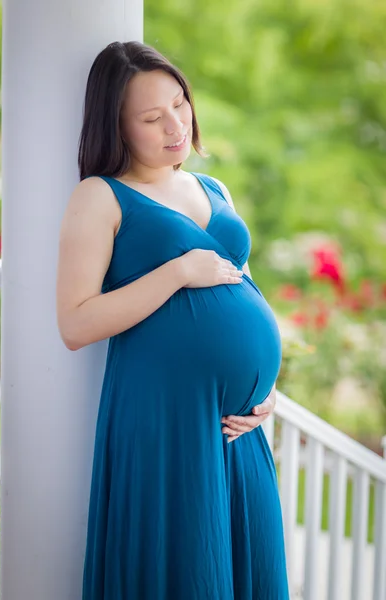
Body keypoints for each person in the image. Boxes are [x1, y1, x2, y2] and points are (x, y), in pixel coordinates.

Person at [56, 40, 289, 600]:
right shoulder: (101, 197)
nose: (175, 125)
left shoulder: (212, 187)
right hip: (165, 415)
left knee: (246, 560)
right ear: (117, 127)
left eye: (180, 105)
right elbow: (75, 324)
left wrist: (269, 390)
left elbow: (242, 285)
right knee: (187, 567)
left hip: (238, 425)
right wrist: (178, 272)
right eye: (151, 117)